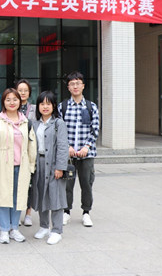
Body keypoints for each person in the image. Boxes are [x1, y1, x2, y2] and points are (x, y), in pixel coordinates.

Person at [0, 88, 37, 244]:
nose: (12, 102)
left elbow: (32, 146)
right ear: (3, 102)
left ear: (20, 102)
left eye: (15, 99)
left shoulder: (26, 123)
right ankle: (4, 229)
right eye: (8, 99)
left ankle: (14, 228)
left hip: (22, 167)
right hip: (2, 166)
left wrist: (31, 166)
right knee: (3, 198)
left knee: (18, 198)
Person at [58, 71, 100, 227]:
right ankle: (66, 212)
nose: (75, 86)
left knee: (86, 184)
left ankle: (86, 213)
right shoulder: (62, 107)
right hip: (68, 154)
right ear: (68, 87)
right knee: (67, 184)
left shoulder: (91, 106)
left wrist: (86, 146)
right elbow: (59, 129)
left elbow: (95, 129)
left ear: (83, 86)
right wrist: (67, 146)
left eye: (78, 83)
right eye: (72, 84)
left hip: (86, 154)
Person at [31, 91, 69, 245]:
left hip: (53, 164)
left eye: (48, 103)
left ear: (53, 106)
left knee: (56, 196)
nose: (45, 107)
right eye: (42, 104)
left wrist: (60, 167)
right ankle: (44, 226)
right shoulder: (35, 123)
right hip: (38, 164)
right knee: (41, 194)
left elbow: (63, 147)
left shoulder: (58, 123)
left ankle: (57, 230)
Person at [16, 78, 37, 226]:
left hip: (29, 151)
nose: (22, 93)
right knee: (15, 184)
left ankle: (28, 213)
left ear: (29, 92)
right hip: (14, 151)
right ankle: (16, 213)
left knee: (29, 184)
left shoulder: (35, 109)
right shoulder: (10, 107)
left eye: (25, 90)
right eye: (20, 90)